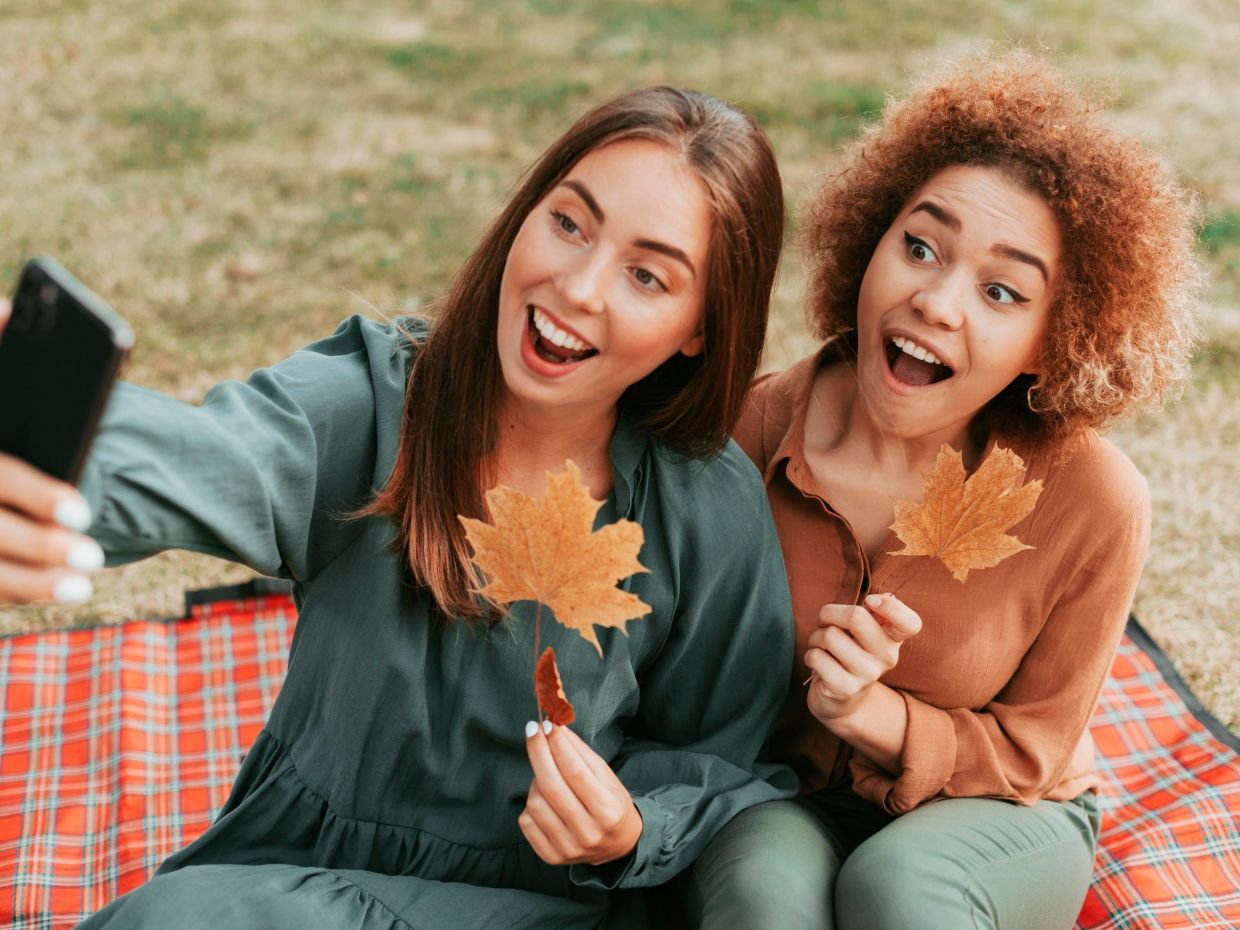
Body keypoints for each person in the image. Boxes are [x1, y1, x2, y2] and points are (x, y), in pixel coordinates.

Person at [0, 86, 798, 929]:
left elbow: (723, 753)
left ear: (699, 328)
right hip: (294, 881)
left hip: (541, 910)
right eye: (569, 222)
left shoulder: (703, 505)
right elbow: (210, 457)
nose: (579, 286)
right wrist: (53, 455)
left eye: (646, 275)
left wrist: (630, 828)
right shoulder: (375, 403)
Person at [683, 50, 1203, 930]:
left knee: (898, 891)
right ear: (870, 243)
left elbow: (1034, 752)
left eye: (1001, 291)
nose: (938, 302)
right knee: (767, 898)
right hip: (777, 795)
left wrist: (874, 715)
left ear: (1052, 340)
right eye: (919, 246)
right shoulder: (742, 436)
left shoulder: (1095, 504)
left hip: (1003, 811)